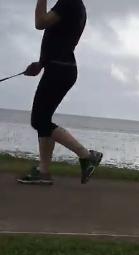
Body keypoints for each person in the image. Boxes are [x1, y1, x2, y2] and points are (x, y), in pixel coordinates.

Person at [18, 0, 102, 186]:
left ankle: (86, 155)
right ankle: (44, 171)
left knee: (39, 120)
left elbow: (40, 23)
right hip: (59, 67)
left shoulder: (69, 3)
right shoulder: (74, 5)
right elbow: (60, 39)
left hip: (60, 69)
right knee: (43, 120)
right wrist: (41, 63)